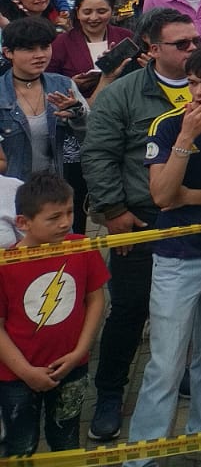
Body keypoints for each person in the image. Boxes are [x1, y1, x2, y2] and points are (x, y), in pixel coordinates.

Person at [79, 6, 201, 439]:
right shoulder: (123, 94)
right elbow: (98, 155)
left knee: (192, 308)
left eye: (196, 42)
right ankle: (110, 391)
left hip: (199, 220)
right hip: (140, 223)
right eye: (182, 44)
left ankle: (181, 371)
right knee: (130, 309)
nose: (193, 50)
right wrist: (113, 212)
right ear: (153, 50)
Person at [124, 42, 201, 466]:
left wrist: (192, 194)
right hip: (177, 257)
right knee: (166, 361)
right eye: (192, 82)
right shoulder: (169, 124)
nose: (198, 93)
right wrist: (188, 137)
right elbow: (160, 195)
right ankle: (143, 452)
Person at [0, 172, 108, 455]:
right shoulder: (5, 265)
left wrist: (80, 352)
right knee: (20, 446)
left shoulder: (81, 247)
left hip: (72, 368)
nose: (65, 222)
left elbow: (96, 299)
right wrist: (25, 372)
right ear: (23, 223)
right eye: (53, 217)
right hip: (17, 377)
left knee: (67, 441)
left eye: (70, 212)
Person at [0, 15, 89, 183]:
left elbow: (91, 137)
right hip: (10, 193)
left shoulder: (63, 85)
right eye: (29, 49)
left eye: (45, 47)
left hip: (55, 188)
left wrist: (78, 114)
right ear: (8, 52)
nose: (40, 55)